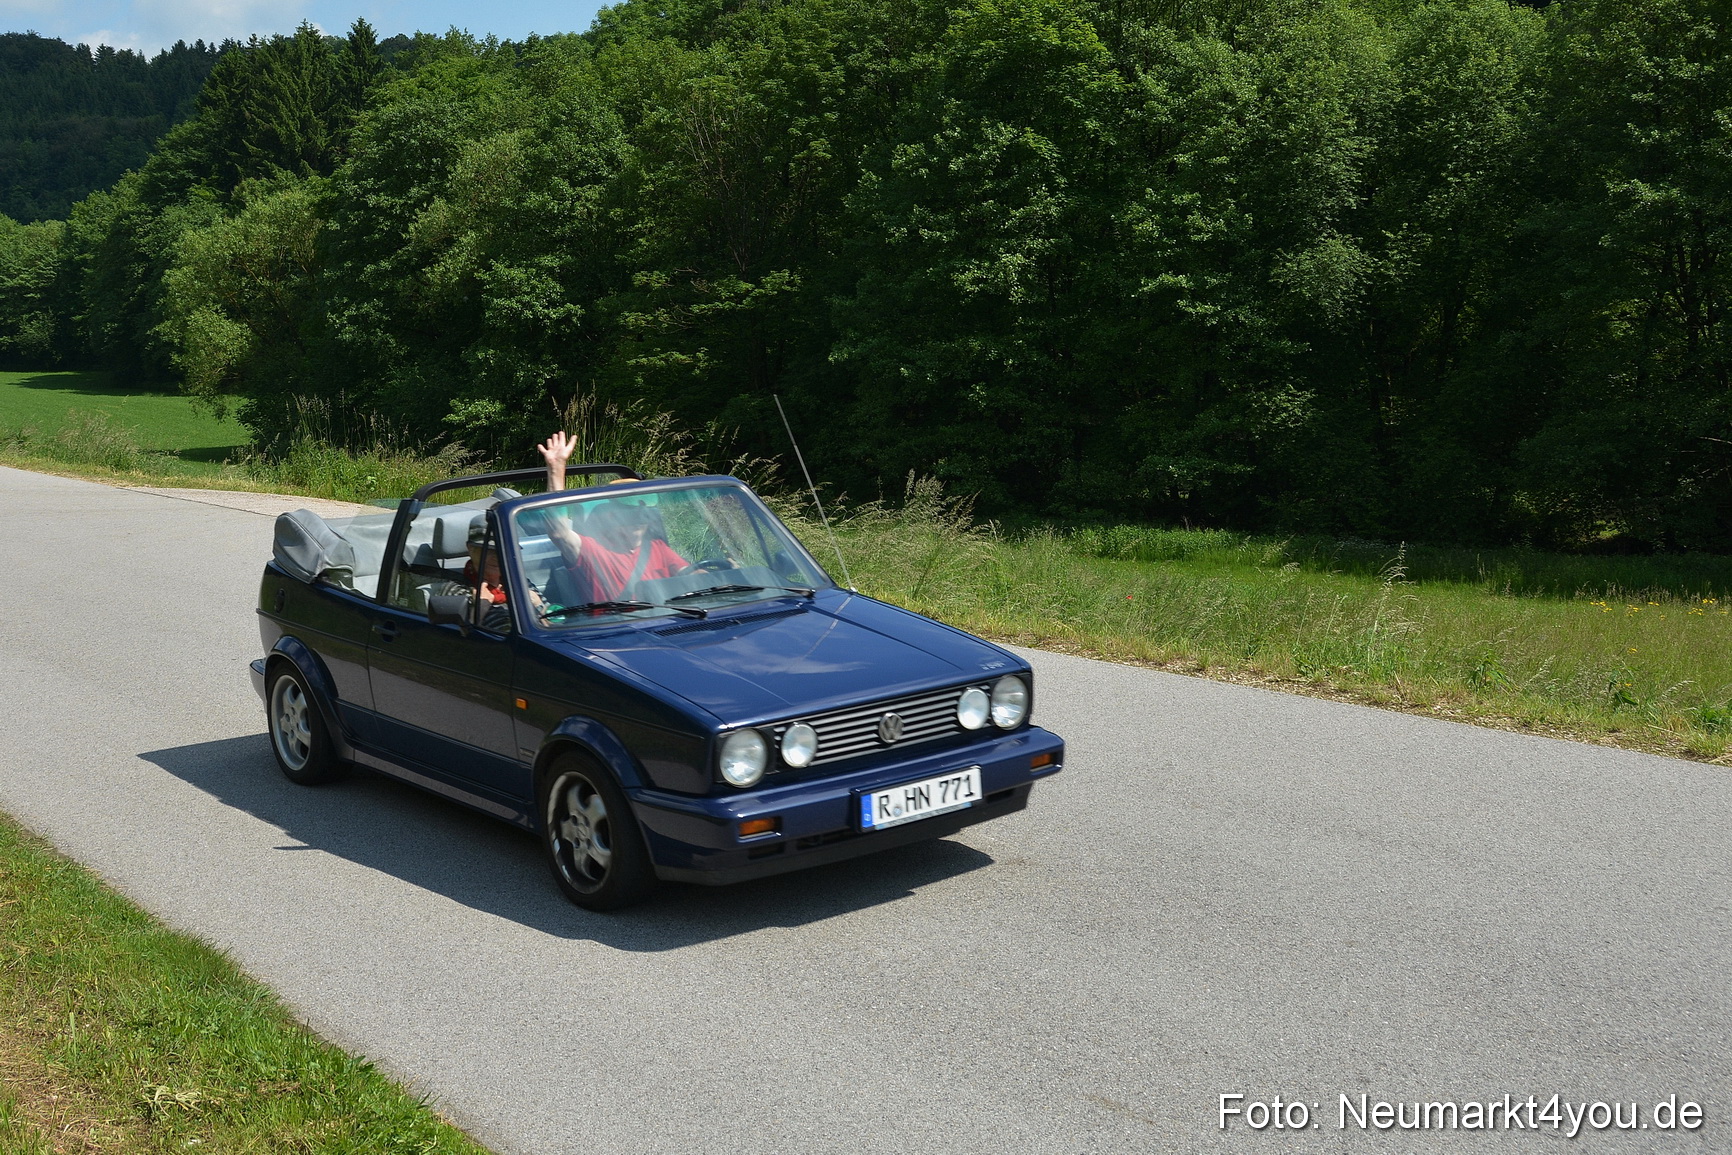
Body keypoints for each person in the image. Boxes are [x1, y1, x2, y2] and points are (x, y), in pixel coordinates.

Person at [535, 431, 689, 604]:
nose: (639, 521)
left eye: (645, 514)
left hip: (668, 616)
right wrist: (556, 470)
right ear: (612, 515)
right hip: (615, 620)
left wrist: (711, 576)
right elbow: (559, 533)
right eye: (631, 514)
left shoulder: (657, 548)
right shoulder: (593, 550)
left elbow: (691, 575)